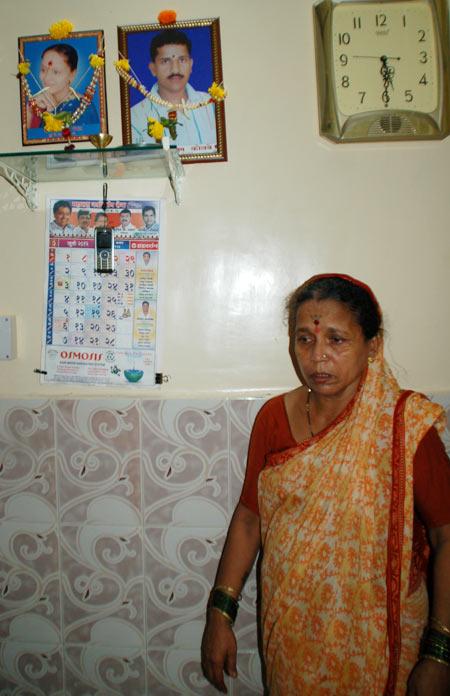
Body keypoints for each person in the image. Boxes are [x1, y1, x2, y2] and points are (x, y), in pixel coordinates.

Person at [201, 274, 450, 696]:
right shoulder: (273, 419)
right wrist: (219, 614)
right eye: (304, 340)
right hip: (291, 638)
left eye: (336, 340)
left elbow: (447, 534)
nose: (317, 358)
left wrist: (440, 652)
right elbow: (249, 518)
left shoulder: (405, 426)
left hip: (385, 644)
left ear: (372, 345)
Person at [130, 29, 216, 150]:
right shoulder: (135, 118)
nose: (175, 69)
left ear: (191, 65)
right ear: (152, 68)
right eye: (165, 61)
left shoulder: (212, 106)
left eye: (182, 60)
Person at [27, 43, 99, 135]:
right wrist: (29, 113)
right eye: (43, 70)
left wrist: (52, 113)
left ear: (72, 74)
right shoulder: (36, 105)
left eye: (56, 72)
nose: (46, 78)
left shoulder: (83, 109)